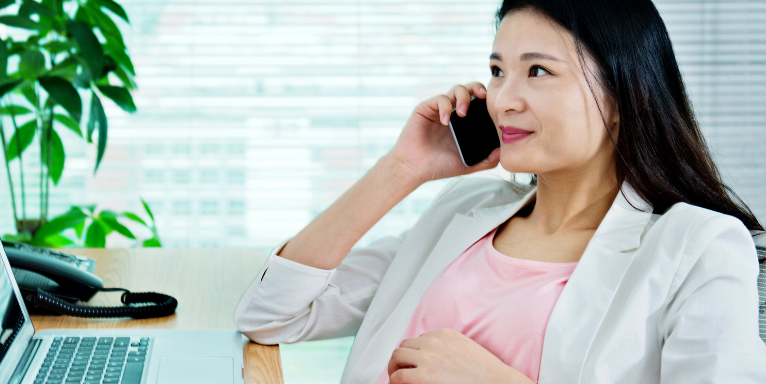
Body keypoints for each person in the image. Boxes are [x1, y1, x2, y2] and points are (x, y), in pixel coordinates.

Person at [232, 0, 766, 383]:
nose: (502, 99)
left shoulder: (699, 245)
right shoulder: (463, 214)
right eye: (496, 70)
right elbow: (272, 312)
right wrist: (402, 168)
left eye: (537, 71)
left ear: (625, 93)